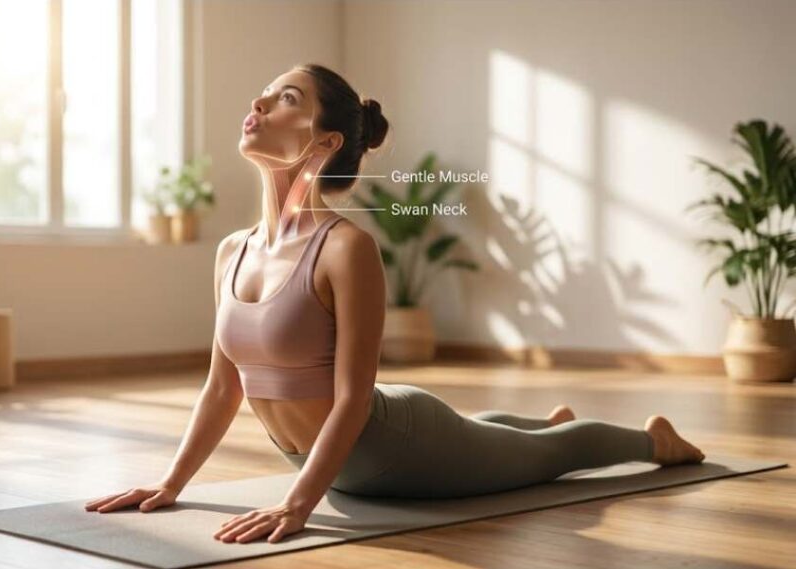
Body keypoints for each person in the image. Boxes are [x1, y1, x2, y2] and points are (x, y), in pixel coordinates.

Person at [85, 63, 705, 544]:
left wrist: (297, 504)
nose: (259, 104)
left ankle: (654, 440)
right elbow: (224, 388)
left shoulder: (345, 249)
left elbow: (354, 398)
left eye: (286, 99)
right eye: (266, 93)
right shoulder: (231, 252)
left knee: (552, 457)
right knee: (494, 440)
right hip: (338, 458)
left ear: (325, 142)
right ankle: (537, 422)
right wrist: (171, 484)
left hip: (396, 448)